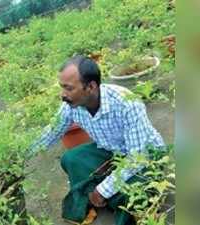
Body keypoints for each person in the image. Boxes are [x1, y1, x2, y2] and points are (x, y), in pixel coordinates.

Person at [28, 55, 165, 224]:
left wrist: (102, 190)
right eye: (61, 87)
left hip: (146, 157)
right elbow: (52, 132)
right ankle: (98, 198)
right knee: (71, 159)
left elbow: (138, 158)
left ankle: (113, 200)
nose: (62, 95)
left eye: (68, 88)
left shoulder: (126, 103)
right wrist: (21, 155)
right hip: (112, 152)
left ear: (91, 86)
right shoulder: (71, 105)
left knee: (133, 193)